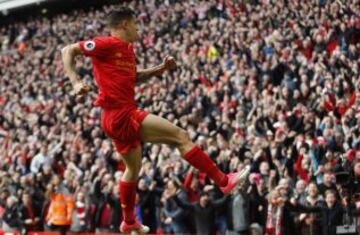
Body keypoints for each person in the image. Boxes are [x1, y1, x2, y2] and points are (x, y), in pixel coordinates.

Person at [61, 6, 249, 233]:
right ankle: (223, 181)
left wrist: (161, 68)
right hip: (121, 113)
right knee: (181, 136)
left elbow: (134, 78)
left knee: (132, 169)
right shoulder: (107, 44)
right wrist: (75, 82)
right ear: (124, 25)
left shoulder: (128, 50)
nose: (138, 28)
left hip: (114, 118)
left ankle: (129, 220)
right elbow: (67, 50)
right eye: (135, 23)